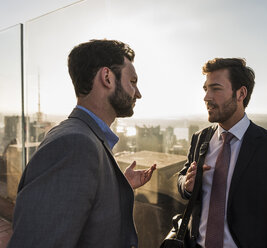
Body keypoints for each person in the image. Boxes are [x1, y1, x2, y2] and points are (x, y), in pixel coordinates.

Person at [8, 39, 156, 248]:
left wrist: (116, 185)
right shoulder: (75, 144)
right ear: (107, 77)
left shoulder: (82, 135)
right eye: (132, 82)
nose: (138, 93)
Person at [178, 58, 267, 248]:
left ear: (240, 93)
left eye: (216, 89)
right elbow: (183, 178)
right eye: (205, 89)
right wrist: (186, 185)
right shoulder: (199, 139)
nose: (206, 97)